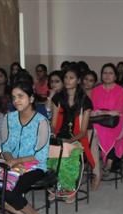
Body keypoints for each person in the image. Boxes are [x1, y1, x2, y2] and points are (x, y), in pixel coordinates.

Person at [1, 82, 50, 214]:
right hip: (12, 164)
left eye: (20, 96)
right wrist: (11, 160)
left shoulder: (41, 122)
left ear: (31, 98)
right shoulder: (9, 118)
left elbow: (40, 155)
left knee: (11, 192)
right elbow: (5, 145)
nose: (16, 101)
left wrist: (17, 161)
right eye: (14, 97)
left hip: (35, 166)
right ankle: (20, 213)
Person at [50, 67, 92, 201]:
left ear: (78, 80)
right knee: (47, 153)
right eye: (66, 78)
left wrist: (69, 141)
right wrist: (53, 135)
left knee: (67, 155)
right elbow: (53, 124)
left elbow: (83, 132)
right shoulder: (58, 98)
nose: (67, 80)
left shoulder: (85, 101)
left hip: (77, 139)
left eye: (71, 78)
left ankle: (69, 188)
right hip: (59, 136)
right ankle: (58, 185)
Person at [90, 63, 123, 181]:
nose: (107, 75)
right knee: (96, 129)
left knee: (108, 131)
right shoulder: (96, 90)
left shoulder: (120, 90)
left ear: (115, 76)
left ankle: (109, 162)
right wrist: (106, 112)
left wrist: (102, 112)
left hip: (115, 121)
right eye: (105, 73)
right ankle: (103, 161)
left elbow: (118, 111)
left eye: (110, 73)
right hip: (99, 121)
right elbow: (93, 109)